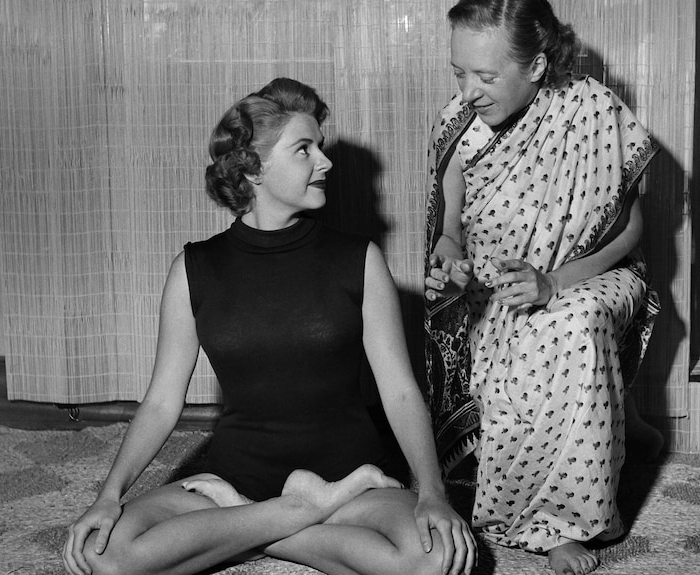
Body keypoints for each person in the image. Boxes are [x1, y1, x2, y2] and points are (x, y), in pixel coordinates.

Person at [63, 77, 477, 575]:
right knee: (101, 556)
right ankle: (300, 511)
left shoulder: (359, 260)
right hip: (232, 482)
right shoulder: (194, 268)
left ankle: (264, 526)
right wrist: (108, 495)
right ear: (252, 169)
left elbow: (402, 392)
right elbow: (160, 400)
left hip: (354, 482)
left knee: (436, 561)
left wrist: (432, 493)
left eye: (319, 147)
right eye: (304, 149)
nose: (324, 162)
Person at [423, 1, 662, 574]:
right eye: (459, 71)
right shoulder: (459, 122)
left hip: (593, 273)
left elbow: (630, 230)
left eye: (485, 75)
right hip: (500, 282)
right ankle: (619, 424)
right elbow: (449, 228)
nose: (470, 89)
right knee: (515, 330)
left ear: (535, 66)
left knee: (568, 323)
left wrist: (554, 283)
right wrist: (450, 258)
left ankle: (560, 522)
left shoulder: (593, 111)